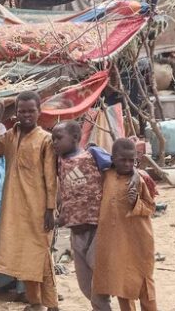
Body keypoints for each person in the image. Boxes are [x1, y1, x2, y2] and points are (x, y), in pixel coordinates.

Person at [0, 92, 58, 311]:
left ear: (39, 112)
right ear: (16, 113)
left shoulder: (45, 139)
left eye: (30, 111)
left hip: (38, 208)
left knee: (42, 257)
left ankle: (52, 305)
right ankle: (35, 303)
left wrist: (50, 209)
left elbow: (51, 178)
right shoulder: (10, 136)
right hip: (14, 208)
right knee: (24, 257)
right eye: (21, 111)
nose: (26, 115)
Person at [51, 121, 112, 311]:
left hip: (97, 229)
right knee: (85, 285)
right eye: (53, 139)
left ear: (76, 138)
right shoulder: (58, 162)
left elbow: (118, 168)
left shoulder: (92, 155)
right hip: (76, 232)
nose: (54, 142)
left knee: (99, 284)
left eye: (59, 138)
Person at [93, 138, 158, 311]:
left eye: (132, 160)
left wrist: (135, 202)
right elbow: (92, 149)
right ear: (113, 159)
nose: (128, 164)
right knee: (121, 283)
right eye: (123, 160)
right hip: (115, 241)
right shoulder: (107, 175)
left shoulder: (141, 180)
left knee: (144, 285)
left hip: (139, 240)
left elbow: (151, 207)